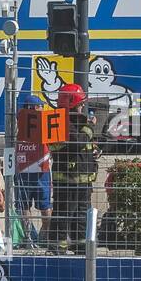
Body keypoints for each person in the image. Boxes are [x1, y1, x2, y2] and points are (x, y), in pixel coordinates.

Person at [51, 87, 100, 249]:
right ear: (71, 103)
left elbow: (83, 145)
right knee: (63, 216)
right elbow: (77, 143)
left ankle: (80, 248)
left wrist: (94, 150)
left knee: (81, 217)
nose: (82, 107)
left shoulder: (78, 121)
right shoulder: (61, 121)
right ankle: (57, 248)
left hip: (83, 182)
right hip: (67, 181)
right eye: (80, 103)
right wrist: (90, 128)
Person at [13, 99, 52, 245]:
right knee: (44, 205)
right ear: (34, 107)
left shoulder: (19, 119)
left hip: (24, 167)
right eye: (40, 106)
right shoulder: (43, 121)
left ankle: (29, 237)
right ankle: (44, 236)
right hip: (40, 168)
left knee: (25, 205)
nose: (42, 108)